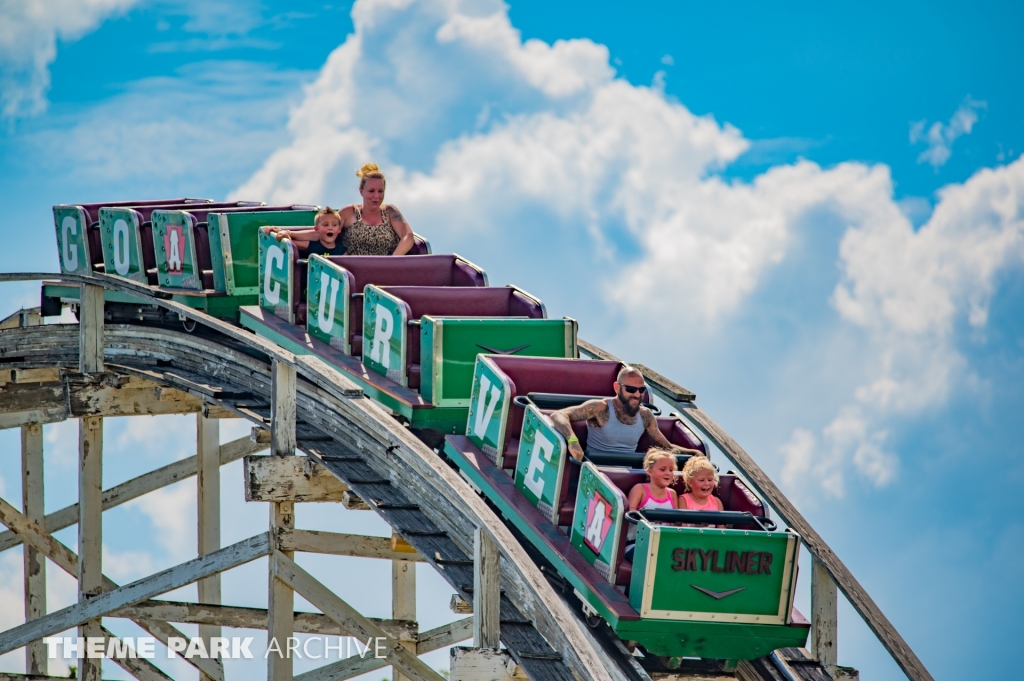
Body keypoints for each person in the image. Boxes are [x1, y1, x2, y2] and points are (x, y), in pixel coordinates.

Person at [549, 366, 701, 461]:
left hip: (629, 475)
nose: (636, 394)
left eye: (641, 390)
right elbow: (559, 415)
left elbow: (666, 447)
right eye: (630, 389)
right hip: (596, 472)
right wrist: (572, 441)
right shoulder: (600, 407)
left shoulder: (645, 415)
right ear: (617, 388)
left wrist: (693, 453)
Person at [339, 163, 415, 256]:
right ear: (361, 191)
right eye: (371, 191)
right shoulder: (348, 212)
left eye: (380, 191)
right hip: (352, 269)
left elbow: (408, 236)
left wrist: (392, 261)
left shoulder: (390, 211)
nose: (376, 196)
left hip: (387, 268)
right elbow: (327, 233)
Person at [624, 448, 679, 561]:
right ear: (649, 471)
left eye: (671, 469)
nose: (668, 473)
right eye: (663, 469)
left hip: (663, 544)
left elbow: (676, 521)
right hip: (636, 543)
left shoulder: (672, 494)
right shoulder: (640, 489)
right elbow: (630, 515)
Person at [263, 207, 347, 255]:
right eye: (325, 225)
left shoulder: (343, 251)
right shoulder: (313, 245)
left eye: (334, 225)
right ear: (316, 229)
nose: (330, 228)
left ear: (339, 229)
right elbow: (290, 243)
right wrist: (279, 233)